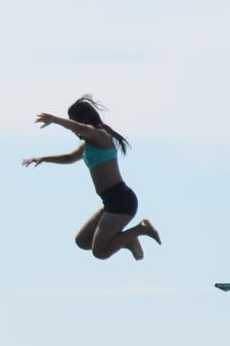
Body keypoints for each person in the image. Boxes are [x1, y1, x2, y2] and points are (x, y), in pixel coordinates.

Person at [21, 96, 161, 262]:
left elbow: (79, 127)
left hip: (121, 201)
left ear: (85, 120)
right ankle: (128, 240)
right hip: (109, 202)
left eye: (74, 122)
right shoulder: (88, 144)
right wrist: (42, 158)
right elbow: (68, 158)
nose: (74, 130)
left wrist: (54, 120)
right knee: (83, 241)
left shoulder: (101, 136)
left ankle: (140, 229)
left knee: (100, 252)